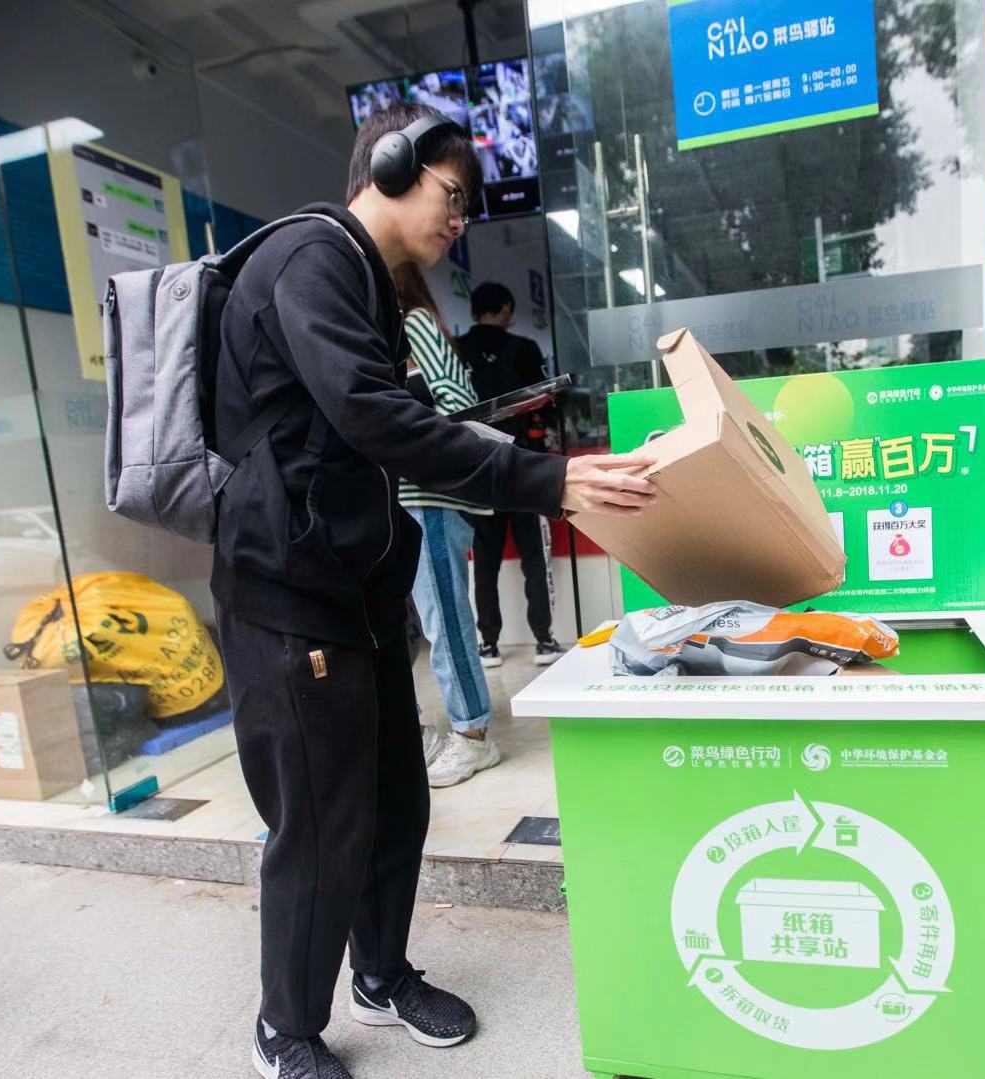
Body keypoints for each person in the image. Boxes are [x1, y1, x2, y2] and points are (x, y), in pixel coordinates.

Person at [212, 101, 655, 1079]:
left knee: (394, 803)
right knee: (318, 824)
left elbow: (397, 416)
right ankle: (285, 1024)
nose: (460, 220)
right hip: (287, 595)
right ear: (392, 163)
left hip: (359, 590)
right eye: (453, 196)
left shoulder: (375, 285)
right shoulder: (312, 258)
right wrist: (550, 480)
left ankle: (377, 972)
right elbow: (372, 416)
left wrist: (513, 445)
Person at [391, 262, 501, 788]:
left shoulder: (413, 323)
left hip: (428, 497)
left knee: (445, 621)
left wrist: (405, 410)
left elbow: (459, 407)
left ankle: (473, 735)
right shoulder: (388, 328)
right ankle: (426, 730)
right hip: (398, 499)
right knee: (411, 625)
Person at [454, 282, 562, 669]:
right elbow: (547, 405)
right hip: (523, 466)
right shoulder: (524, 349)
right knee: (533, 554)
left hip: (478, 466)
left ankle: (489, 644)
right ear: (504, 309)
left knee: (485, 559)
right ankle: (544, 640)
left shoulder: (457, 349)